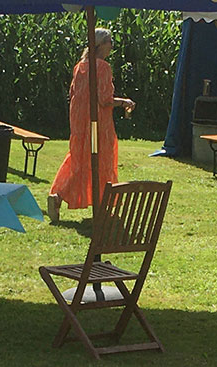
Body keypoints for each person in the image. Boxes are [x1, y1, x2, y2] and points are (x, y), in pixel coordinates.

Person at [47, 28, 134, 225]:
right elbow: (104, 100)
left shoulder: (80, 66)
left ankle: (58, 195)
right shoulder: (102, 67)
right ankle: (103, 206)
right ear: (100, 44)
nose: (111, 45)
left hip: (79, 121)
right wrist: (124, 102)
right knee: (102, 161)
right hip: (98, 122)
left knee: (79, 160)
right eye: (109, 41)